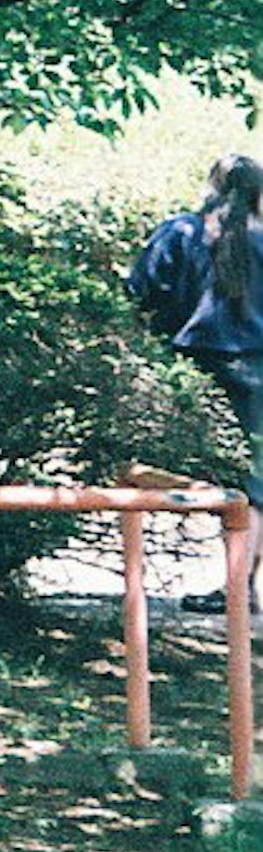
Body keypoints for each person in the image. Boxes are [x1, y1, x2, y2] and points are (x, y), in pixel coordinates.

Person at [127, 152, 263, 611]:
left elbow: (142, 287)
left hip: (197, 365)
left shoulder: (182, 231)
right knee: (256, 478)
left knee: (157, 461)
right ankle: (239, 585)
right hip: (258, 369)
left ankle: (231, 587)